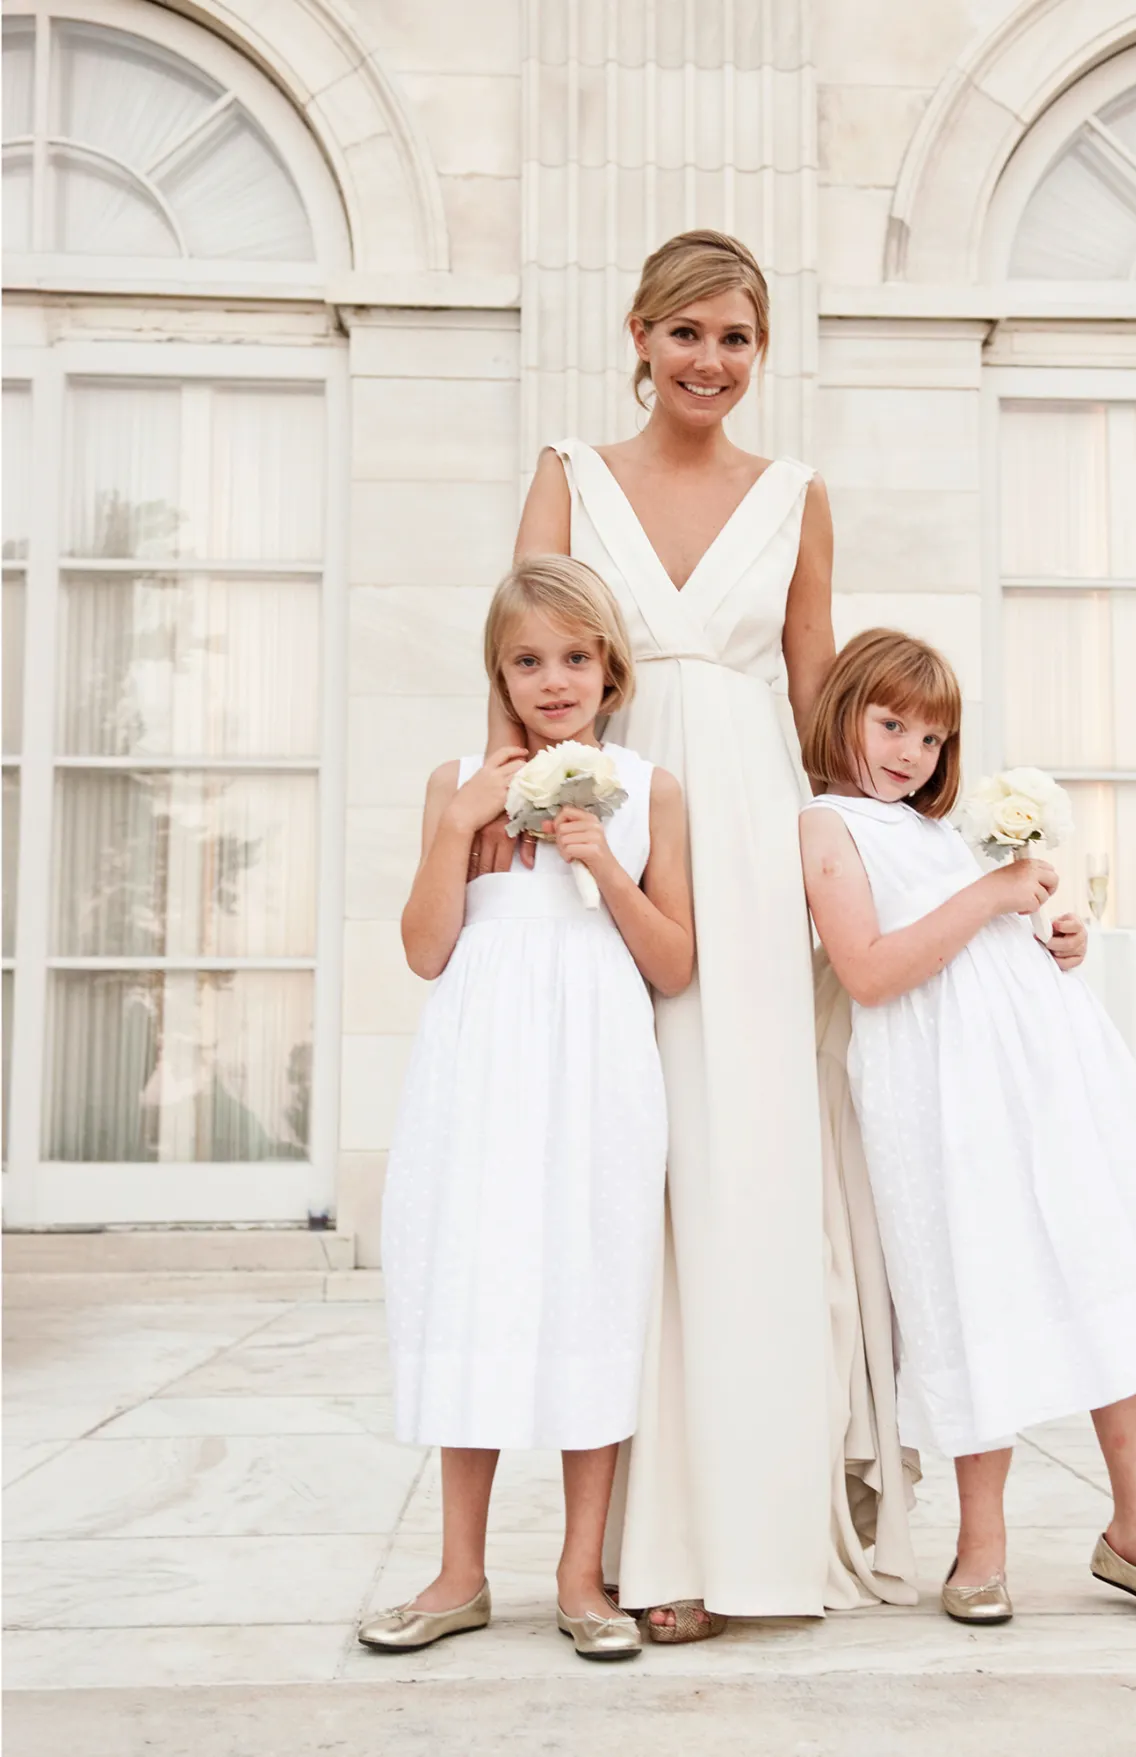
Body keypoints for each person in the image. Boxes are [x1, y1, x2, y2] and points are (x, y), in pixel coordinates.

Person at [493, 230, 910, 1638]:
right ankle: (634, 1544)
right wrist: (506, 820)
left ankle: (745, 1540)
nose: (710, 361)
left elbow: (818, 695)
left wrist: (880, 856)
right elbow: (516, 658)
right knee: (632, 1165)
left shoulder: (796, 495)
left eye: (736, 338)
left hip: (744, 831)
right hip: (605, 825)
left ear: (759, 351)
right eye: (685, 332)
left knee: (744, 1164)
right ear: (639, 334)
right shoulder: (568, 473)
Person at [798, 629, 1136, 1627]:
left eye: (932, 737)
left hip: (1038, 1073)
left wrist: (1048, 932)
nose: (911, 752)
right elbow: (869, 969)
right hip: (935, 1090)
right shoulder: (826, 826)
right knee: (971, 1285)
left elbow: (984, 933)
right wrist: (988, 896)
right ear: (842, 712)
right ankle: (981, 1543)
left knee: (1097, 1265)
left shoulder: (941, 831)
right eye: (891, 724)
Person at [360, 556, 693, 1661]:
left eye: (575, 657)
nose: (554, 680)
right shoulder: (455, 780)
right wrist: (456, 825)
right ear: (499, 675)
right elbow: (424, 950)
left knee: (592, 1285)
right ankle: (459, 1571)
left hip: (596, 1064)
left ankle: (580, 1571)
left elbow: (675, 963)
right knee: (476, 1282)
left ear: (610, 670)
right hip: (479, 1066)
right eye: (528, 660)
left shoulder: (649, 789)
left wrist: (605, 863)